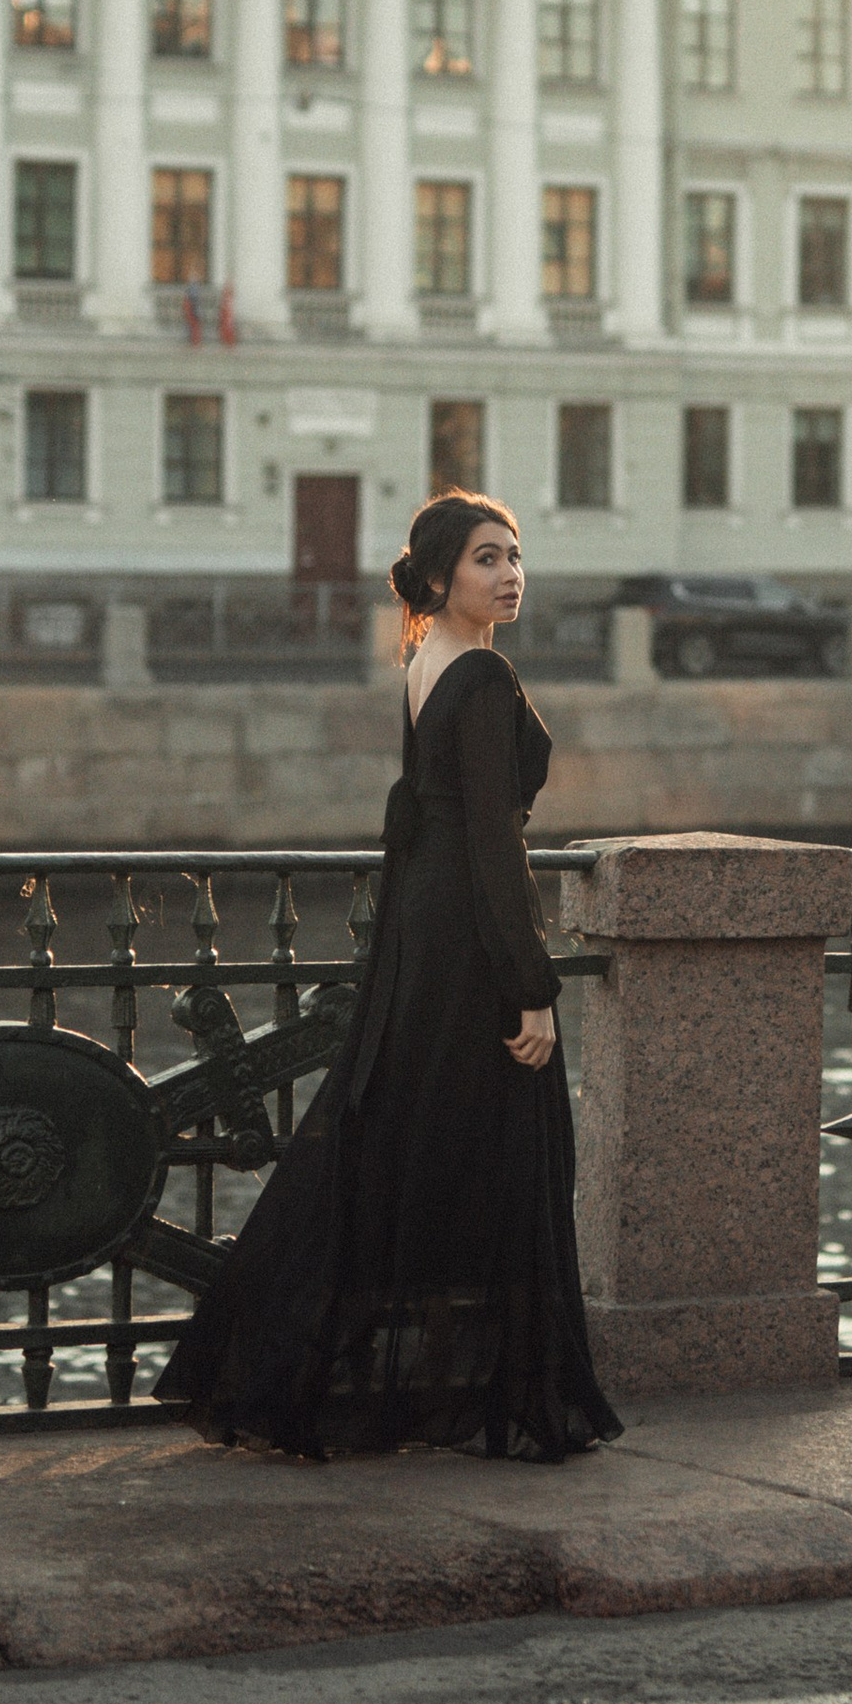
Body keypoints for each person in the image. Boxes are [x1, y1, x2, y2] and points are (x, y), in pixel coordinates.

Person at [155, 490, 622, 1462]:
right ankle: (501, 1393)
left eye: (516, 556)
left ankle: (321, 1372)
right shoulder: (481, 680)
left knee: (392, 1143)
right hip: (469, 938)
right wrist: (531, 980)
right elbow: (493, 841)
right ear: (443, 575)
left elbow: (421, 814)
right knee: (501, 1145)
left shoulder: (424, 662)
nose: (509, 576)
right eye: (487, 559)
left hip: (422, 928)